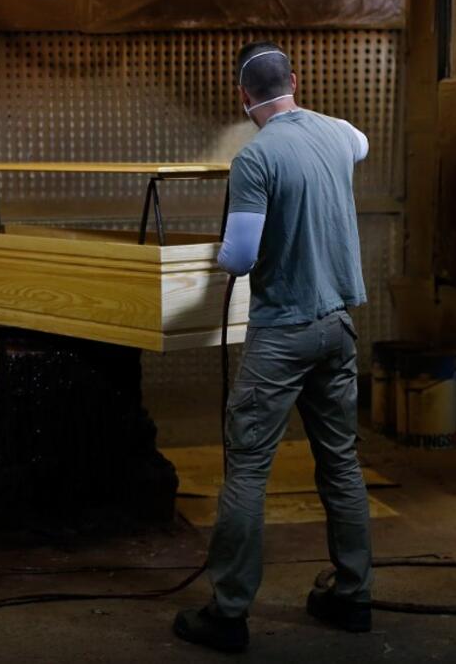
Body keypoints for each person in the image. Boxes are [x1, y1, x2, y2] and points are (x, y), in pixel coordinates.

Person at [172, 41, 374, 653]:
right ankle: (352, 597)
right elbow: (357, 139)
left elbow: (239, 256)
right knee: (340, 462)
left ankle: (228, 613)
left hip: (282, 334)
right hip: (337, 326)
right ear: (295, 80)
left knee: (248, 467)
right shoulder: (338, 136)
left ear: (243, 98)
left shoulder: (255, 159)